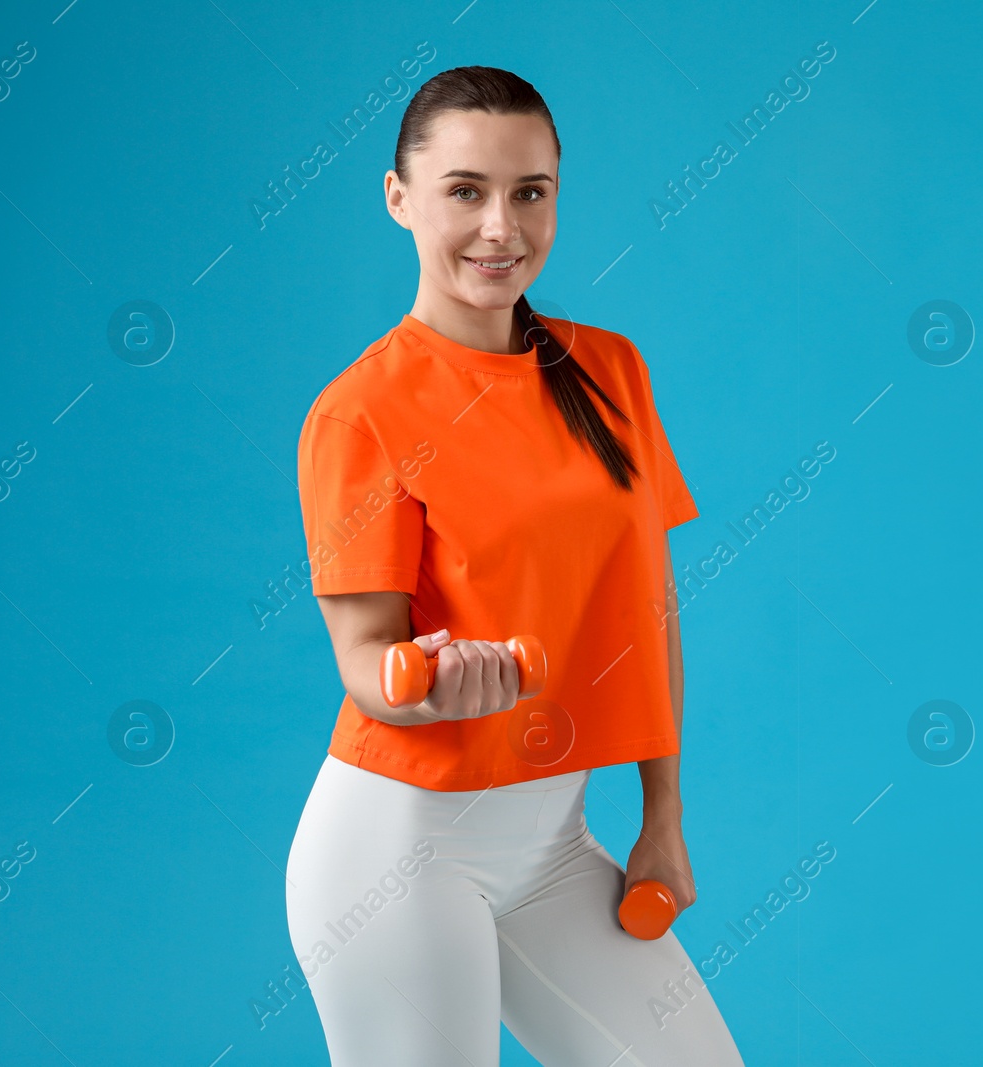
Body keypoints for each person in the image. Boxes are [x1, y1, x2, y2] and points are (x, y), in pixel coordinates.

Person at [284, 65, 746, 1067]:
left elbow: (648, 602)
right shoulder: (358, 412)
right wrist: (425, 685)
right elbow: (365, 656)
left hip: (552, 843)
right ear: (398, 197)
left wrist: (662, 816)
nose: (502, 227)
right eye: (465, 191)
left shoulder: (608, 369)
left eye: (529, 192)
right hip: (395, 850)